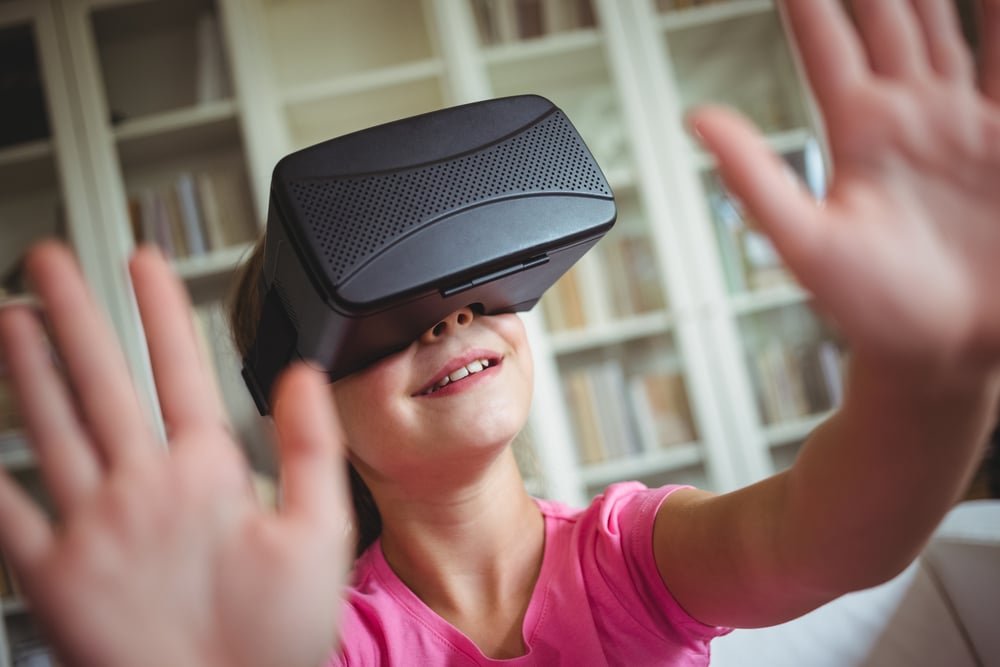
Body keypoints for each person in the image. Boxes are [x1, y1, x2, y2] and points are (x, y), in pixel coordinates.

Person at [0, 0, 998, 665]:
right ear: (302, 403)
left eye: (477, 292)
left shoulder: (628, 559)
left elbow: (825, 537)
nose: (452, 314)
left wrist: (932, 374)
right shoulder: (320, 635)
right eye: (388, 315)